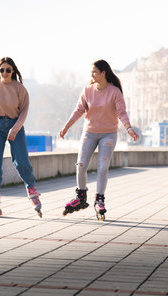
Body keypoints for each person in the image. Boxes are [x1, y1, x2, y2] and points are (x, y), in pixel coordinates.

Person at [59, 59, 139, 221]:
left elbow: (121, 112)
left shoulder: (114, 92)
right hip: (89, 133)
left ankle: (100, 199)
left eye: (95, 72)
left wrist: (129, 128)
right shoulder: (88, 90)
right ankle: (81, 196)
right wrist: (66, 127)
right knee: (81, 164)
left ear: (103, 73)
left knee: (102, 167)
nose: (92, 75)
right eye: (91, 72)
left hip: (108, 134)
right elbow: (78, 110)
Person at [0, 57, 42, 218]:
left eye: (8, 70)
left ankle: (32, 190)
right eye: (1, 70)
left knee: (21, 161)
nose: (4, 73)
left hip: (15, 124)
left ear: (13, 71)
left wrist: (15, 128)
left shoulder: (19, 88)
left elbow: (24, 111)